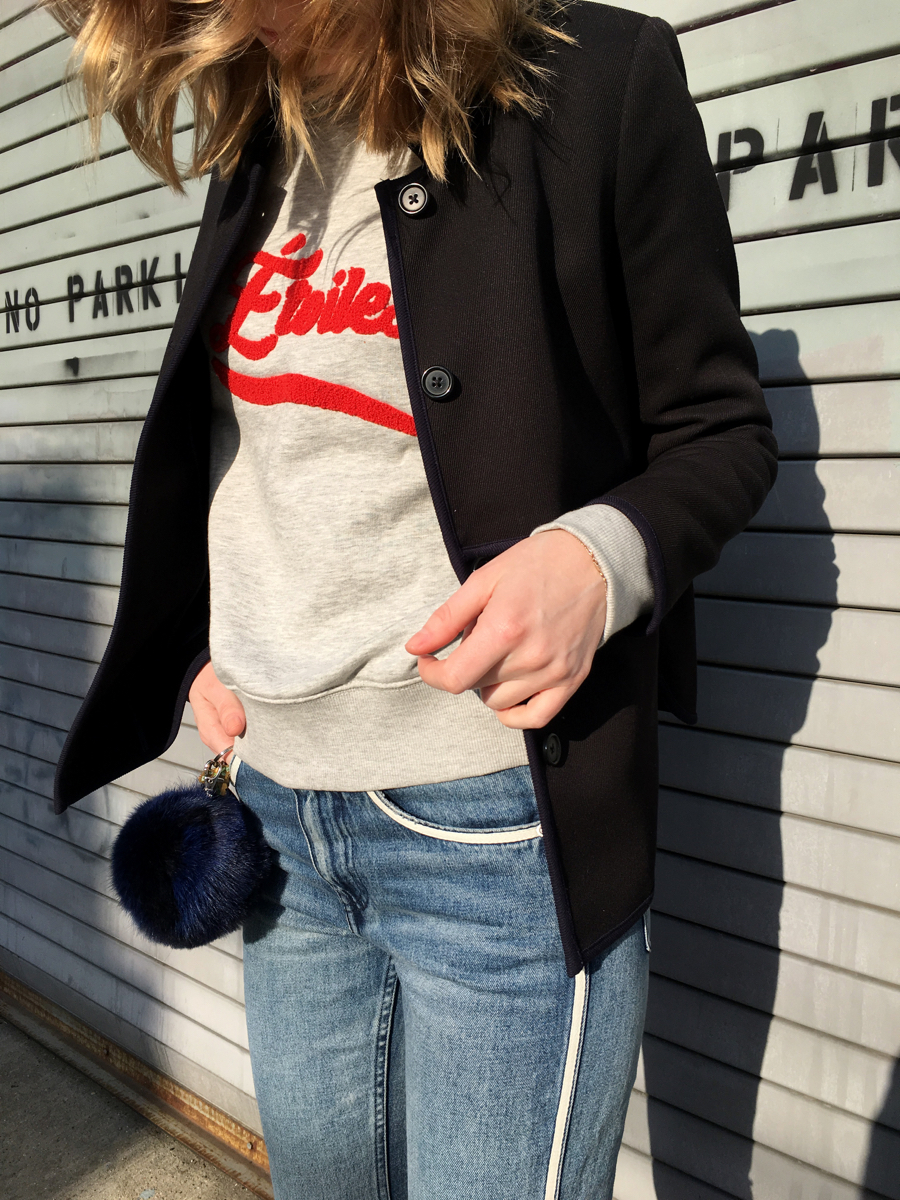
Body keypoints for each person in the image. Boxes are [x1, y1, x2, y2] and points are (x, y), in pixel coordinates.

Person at [49, 1, 778, 1196]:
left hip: (496, 828)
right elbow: (260, 455)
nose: (224, 21)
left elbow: (720, 430)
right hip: (282, 818)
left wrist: (598, 561)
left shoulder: (595, 80)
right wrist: (213, 643)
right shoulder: (261, 132)